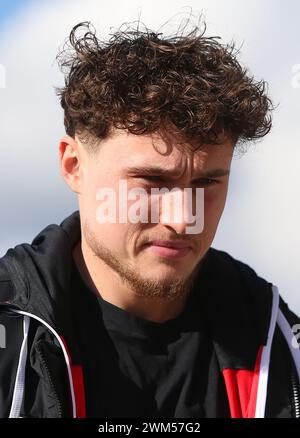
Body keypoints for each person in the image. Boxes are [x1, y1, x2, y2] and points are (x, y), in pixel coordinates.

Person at [0, 18, 299, 419]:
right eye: (153, 181)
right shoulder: (9, 337)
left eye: (207, 182)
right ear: (74, 166)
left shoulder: (281, 344)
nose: (181, 219)